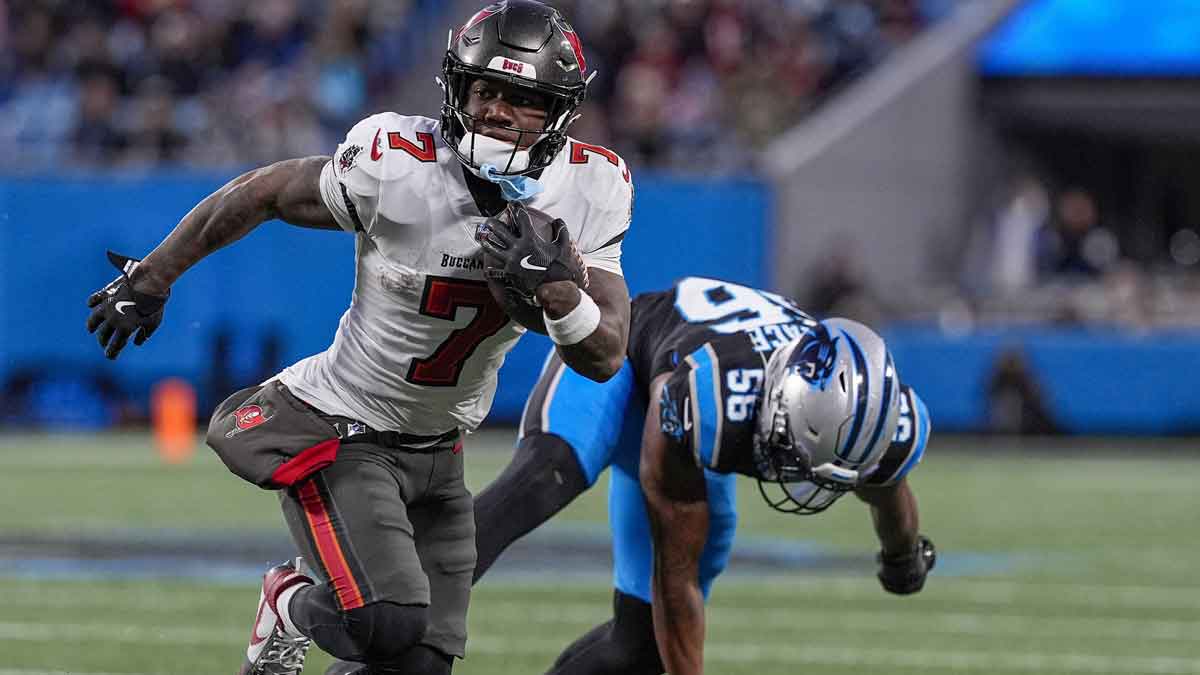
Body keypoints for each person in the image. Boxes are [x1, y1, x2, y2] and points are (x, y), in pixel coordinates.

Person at [84, 2, 633, 674]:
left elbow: (604, 355)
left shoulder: (591, 186)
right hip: (344, 426)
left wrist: (556, 291)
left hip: (440, 450)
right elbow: (266, 191)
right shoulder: (397, 163)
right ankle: (290, 602)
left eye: (523, 100)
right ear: (456, 90)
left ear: (558, 114)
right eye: (487, 90)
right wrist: (154, 275)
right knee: (383, 618)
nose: (497, 111)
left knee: (417, 662)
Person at [472, 277, 934, 675]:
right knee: (542, 477)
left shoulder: (881, 425)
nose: (800, 477)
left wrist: (903, 556)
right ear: (780, 401)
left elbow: (887, 487)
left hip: (682, 422)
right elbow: (675, 568)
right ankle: (408, 611)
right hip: (621, 364)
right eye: (795, 454)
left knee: (642, 646)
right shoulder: (714, 398)